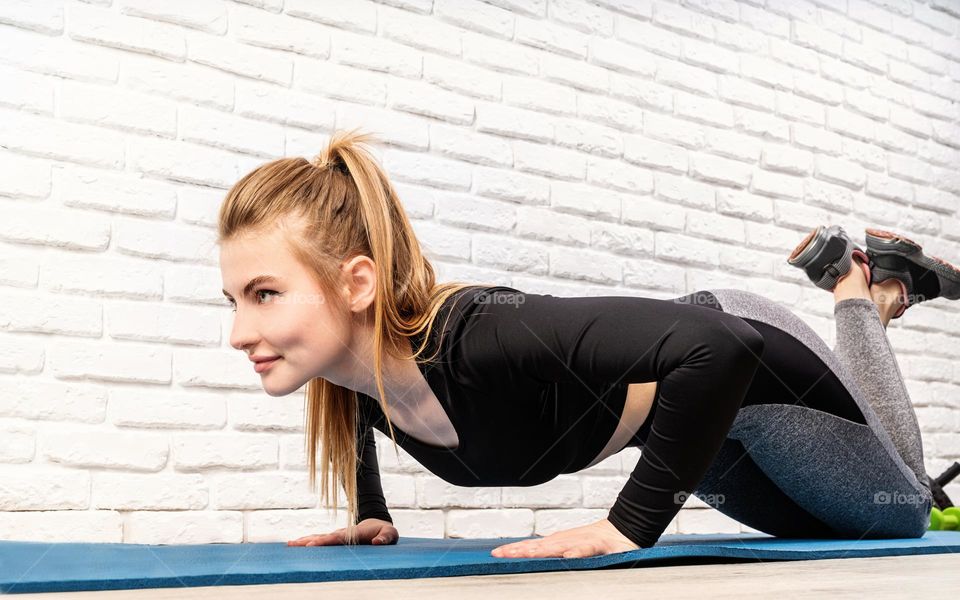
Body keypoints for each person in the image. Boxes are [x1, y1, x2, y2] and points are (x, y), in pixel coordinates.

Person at [219, 129, 956, 559]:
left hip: (740, 358)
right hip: (691, 413)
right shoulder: (355, 372)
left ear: (356, 285)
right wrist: (373, 510)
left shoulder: (482, 339)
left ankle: (859, 290)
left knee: (901, 511)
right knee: (831, 532)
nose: (238, 333)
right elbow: (357, 401)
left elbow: (719, 347)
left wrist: (628, 527)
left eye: (264, 294)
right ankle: (883, 296)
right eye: (234, 300)